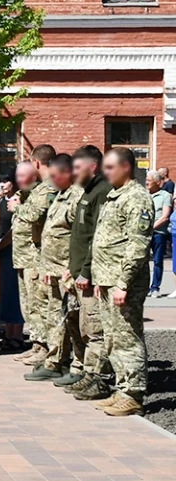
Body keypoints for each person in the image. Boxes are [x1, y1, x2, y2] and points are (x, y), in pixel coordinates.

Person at [90, 146, 154, 415]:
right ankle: (122, 388)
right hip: (107, 279)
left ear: (126, 167)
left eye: (110, 167)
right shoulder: (114, 196)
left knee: (127, 337)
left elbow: (137, 245)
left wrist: (123, 282)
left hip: (124, 281)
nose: (105, 173)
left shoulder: (137, 198)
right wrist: (99, 279)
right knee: (113, 337)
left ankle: (134, 394)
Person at [24, 154, 83, 384]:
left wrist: (72, 267)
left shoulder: (76, 197)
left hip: (67, 270)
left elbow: (79, 236)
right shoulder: (60, 195)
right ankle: (55, 360)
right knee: (56, 318)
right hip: (52, 269)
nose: (52, 181)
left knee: (71, 319)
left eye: (55, 177)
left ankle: (74, 365)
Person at [67, 144, 113, 401]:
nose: (73, 173)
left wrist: (85, 270)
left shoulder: (101, 192)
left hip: (92, 276)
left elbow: (98, 237)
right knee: (85, 328)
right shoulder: (88, 191)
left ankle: (99, 379)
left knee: (95, 330)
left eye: (77, 167)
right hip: (78, 274)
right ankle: (89, 374)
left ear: (92, 166)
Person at [8, 145, 56, 366]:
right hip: (23, 257)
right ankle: (36, 344)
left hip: (35, 258)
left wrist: (17, 207)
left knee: (38, 305)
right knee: (28, 305)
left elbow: (36, 216)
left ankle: (44, 347)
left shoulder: (47, 190)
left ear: (36, 164)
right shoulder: (30, 192)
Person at [0, 171, 24, 351]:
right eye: (1, 181)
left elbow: (15, 229)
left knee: (15, 293)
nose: (3, 185)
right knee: (5, 294)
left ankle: (17, 335)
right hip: (2, 252)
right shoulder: (2, 202)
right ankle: (8, 332)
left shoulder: (19, 200)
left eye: (6, 181)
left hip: (13, 250)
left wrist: (1, 244)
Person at [147, 170, 172, 296]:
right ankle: (144, 288)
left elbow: (165, 216)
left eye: (149, 181)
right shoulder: (144, 195)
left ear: (157, 182)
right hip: (144, 233)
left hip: (158, 233)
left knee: (157, 261)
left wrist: (150, 228)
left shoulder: (165, 196)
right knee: (142, 261)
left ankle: (155, 287)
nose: (146, 183)